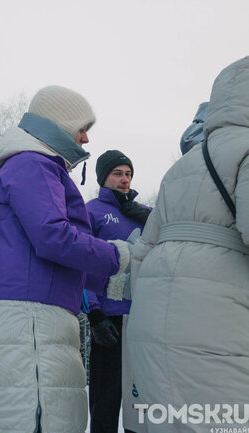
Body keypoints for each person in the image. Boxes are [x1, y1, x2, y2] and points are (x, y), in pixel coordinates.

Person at [0, 85, 132, 433]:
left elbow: (51, 250)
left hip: (38, 316)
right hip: (27, 322)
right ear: (59, 125)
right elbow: (53, 237)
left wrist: (111, 282)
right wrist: (118, 257)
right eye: (82, 128)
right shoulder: (33, 164)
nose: (86, 139)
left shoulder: (41, 166)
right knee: (28, 419)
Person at [126, 56, 249, 432]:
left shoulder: (183, 164)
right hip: (217, 319)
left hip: (152, 319)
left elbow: (143, 250)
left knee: (172, 420)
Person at [84, 150, 150, 433]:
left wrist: (150, 217)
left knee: (142, 397)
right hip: (108, 318)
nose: (125, 180)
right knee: (106, 396)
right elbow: (82, 264)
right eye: (118, 174)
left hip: (142, 319)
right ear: (104, 178)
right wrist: (95, 313)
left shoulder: (143, 213)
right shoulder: (91, 211)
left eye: (128, 174)